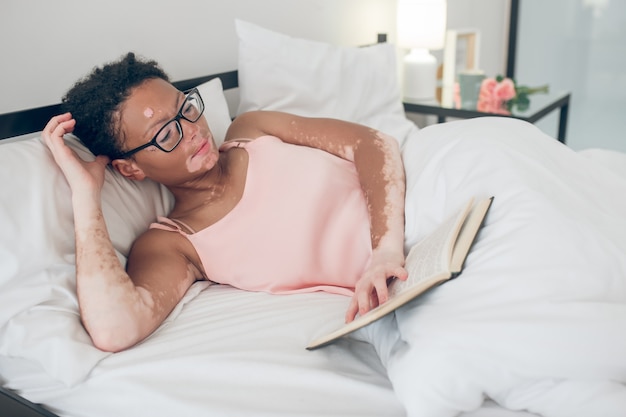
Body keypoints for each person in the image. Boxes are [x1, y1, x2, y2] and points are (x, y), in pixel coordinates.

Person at [42, 52, 409, 353]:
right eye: (166, 134)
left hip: (414, 226)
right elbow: (115, 329)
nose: (193, 130)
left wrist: (386, 249)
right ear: (130, 168)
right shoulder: (174, 244)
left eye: (185, 108)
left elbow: (372, 143)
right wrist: (86, 195)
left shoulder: (253, 130)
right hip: (401, 290)